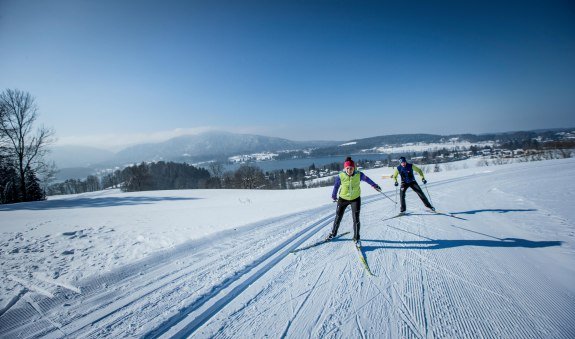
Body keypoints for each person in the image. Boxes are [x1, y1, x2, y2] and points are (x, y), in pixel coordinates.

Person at [327, 157, 381, 247]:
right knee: (338, 217)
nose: (349, 170)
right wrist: (334, 195)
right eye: (347, 168)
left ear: (354, 168)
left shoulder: (359, 175)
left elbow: (368, 180)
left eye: (351, 168)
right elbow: (336, 186)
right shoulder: (340, 176)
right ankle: (333, 233)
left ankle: (356, 237)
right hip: (343, 199)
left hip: (355, 199)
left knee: (356, 219)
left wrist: (375, 185)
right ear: (345, 168)